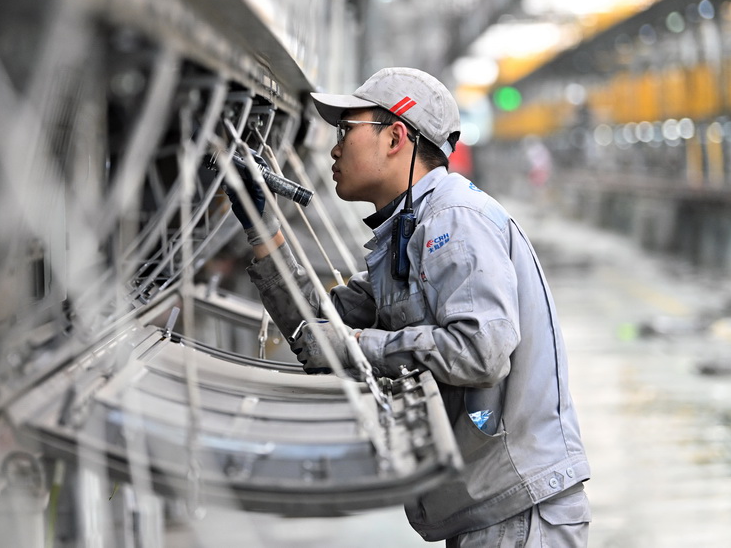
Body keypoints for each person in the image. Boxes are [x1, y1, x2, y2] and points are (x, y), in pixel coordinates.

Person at [224, 67, 591, 547]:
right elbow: (318, 327)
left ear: (396, 136)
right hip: (491, 509)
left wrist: (360, 344)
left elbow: (482, 352)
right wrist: (261, 226)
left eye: (346, 131)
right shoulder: (410, 233)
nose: (335, 149)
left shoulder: (453, 223)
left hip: (519, 513)